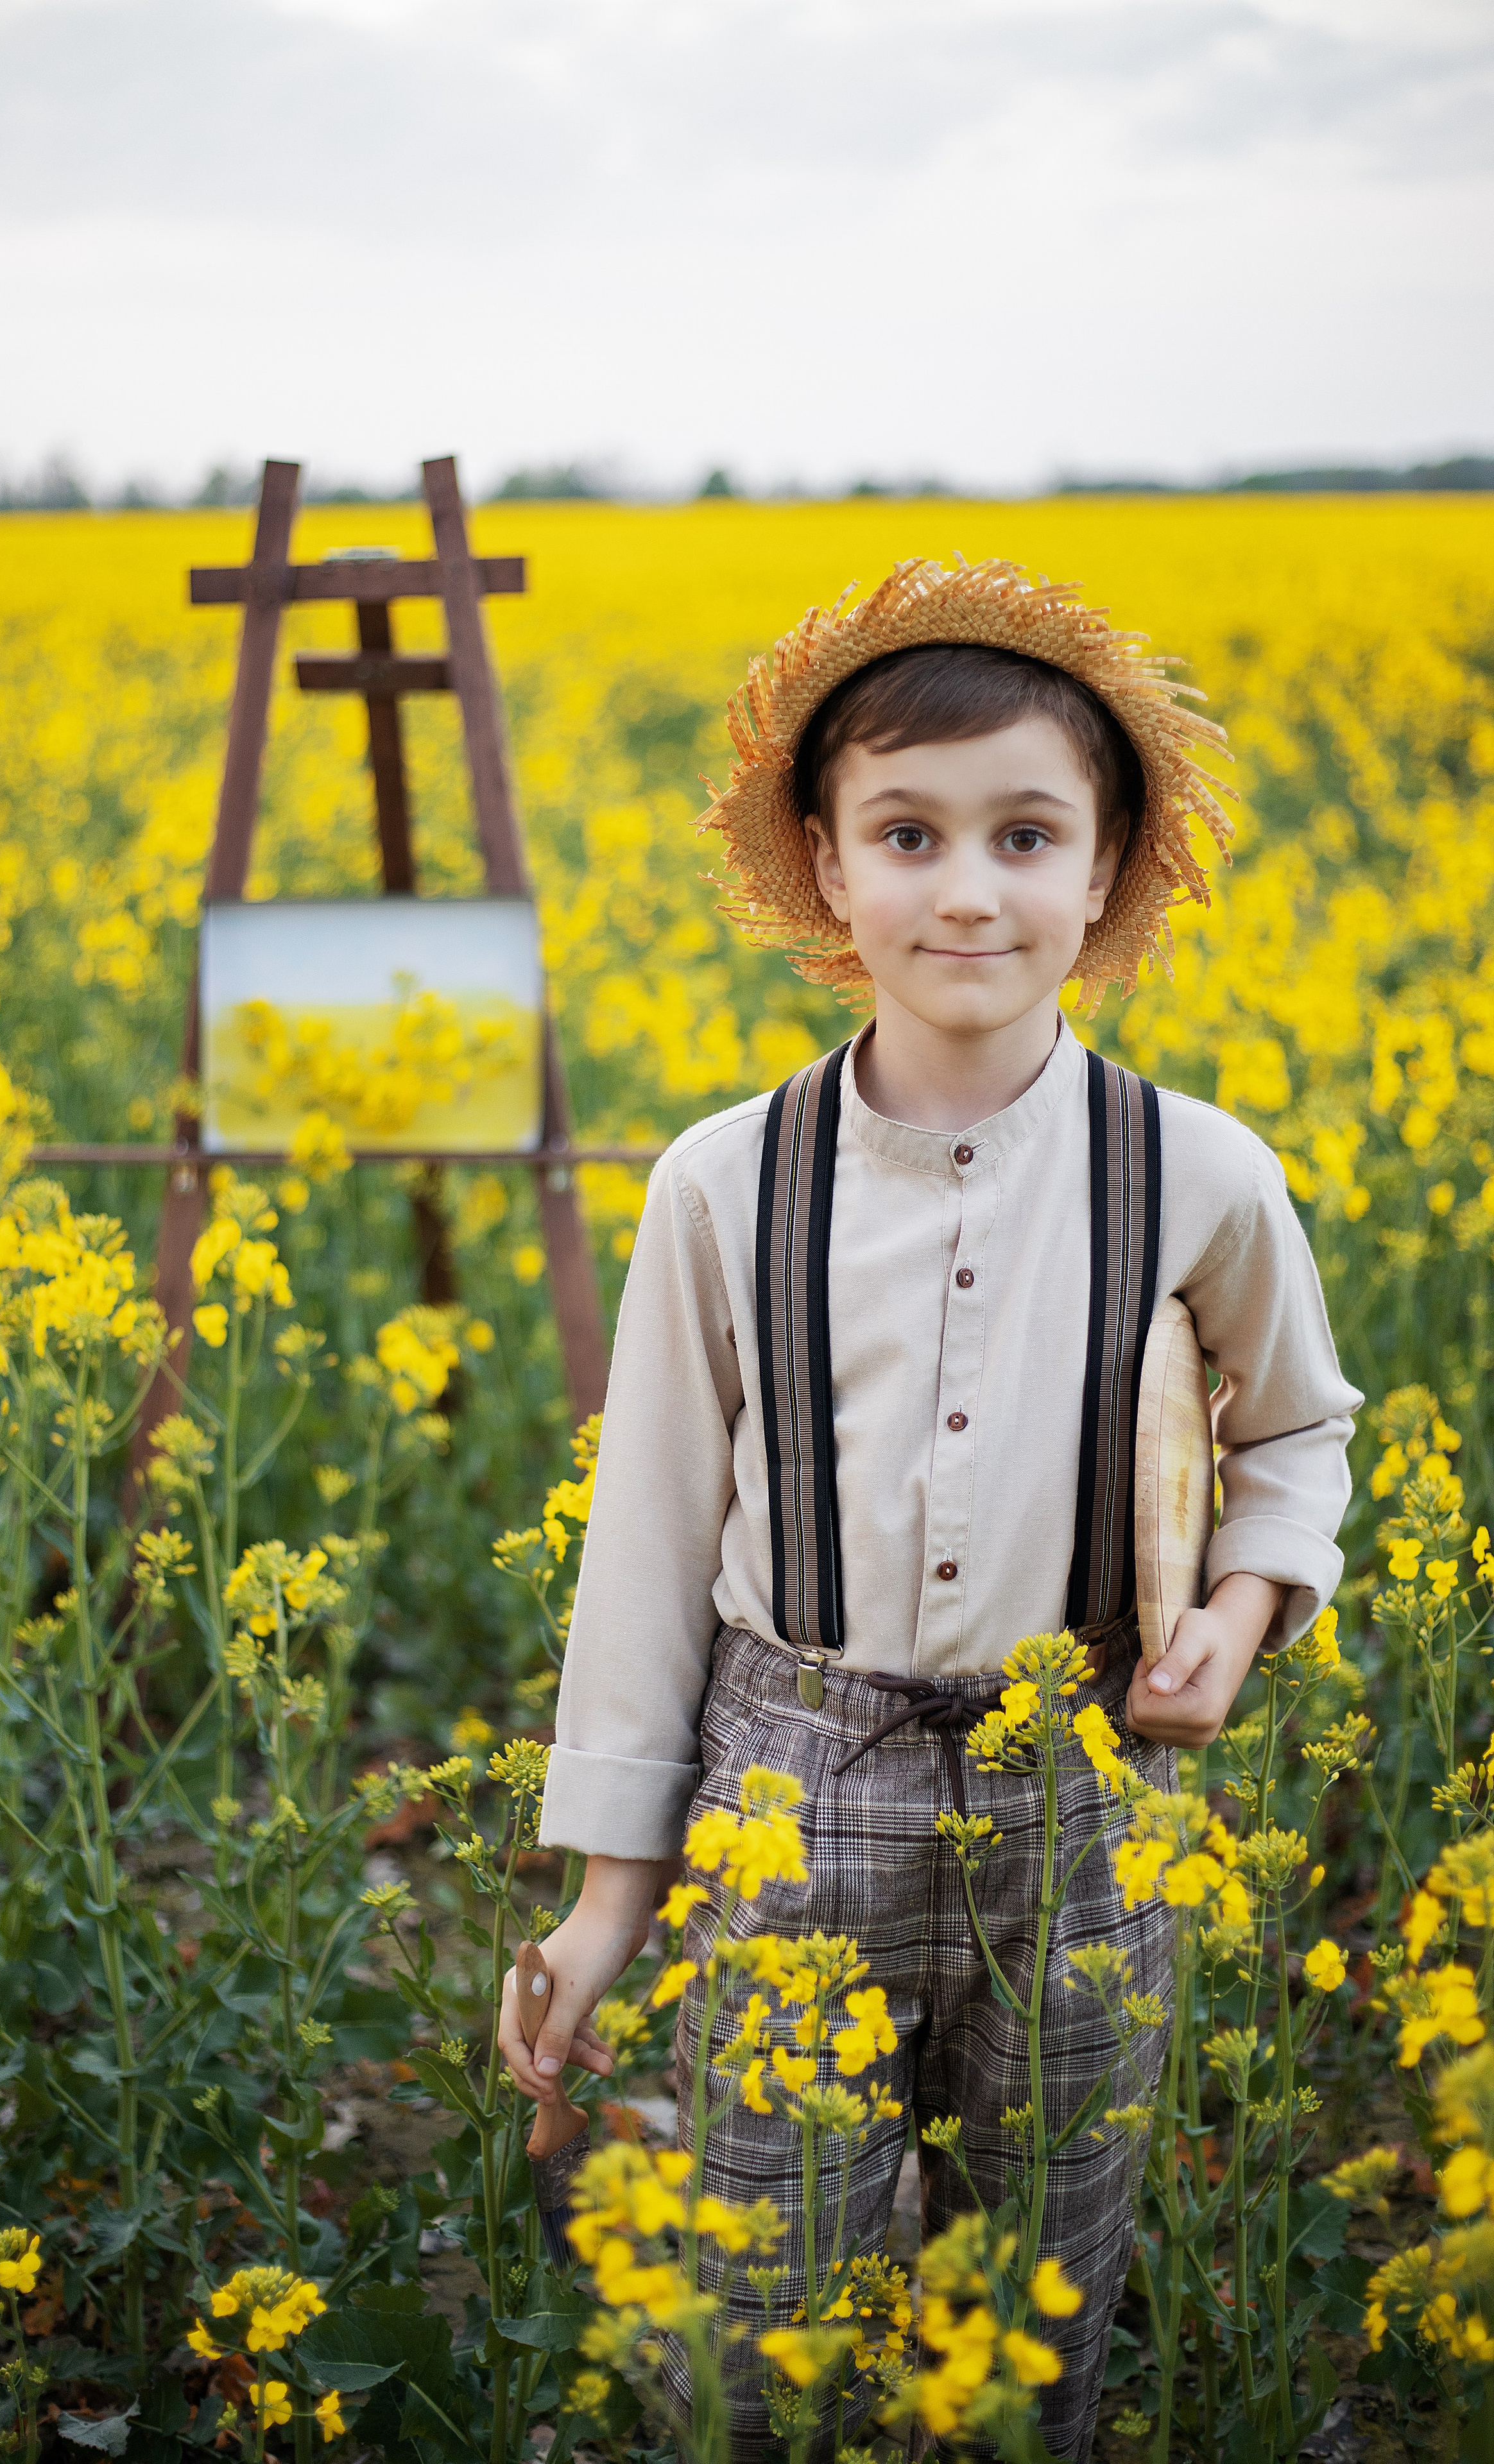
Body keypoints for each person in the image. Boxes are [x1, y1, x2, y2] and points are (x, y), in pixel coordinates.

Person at [499, 556, 1361, 2459]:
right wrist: (605, 1898)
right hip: (786, 1779)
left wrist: (1247, 1604)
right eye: (908, 833)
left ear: (1109, 865)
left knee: (1038, 2289)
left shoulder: (1202, 1174)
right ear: (824, 866)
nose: (968, 889)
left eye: (1026, 834)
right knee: (759, 2292)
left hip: (1083, 1794)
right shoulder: (722, 1188)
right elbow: (645, 1550)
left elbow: (1300, 1436)